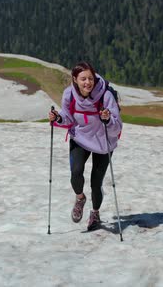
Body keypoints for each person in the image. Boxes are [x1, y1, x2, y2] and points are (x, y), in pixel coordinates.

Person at [48, 61, 122, 231]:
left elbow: (117, 126)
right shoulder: (69, 94)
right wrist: (58, 118)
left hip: (103, 143)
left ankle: (95, 213)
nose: (88, 82)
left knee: (96, 183)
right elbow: (68, 117)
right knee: (75, 173)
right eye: (83, 79)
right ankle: (80, 198)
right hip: (80, 138)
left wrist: (107, 119)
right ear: (75, 79)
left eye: (91, 78)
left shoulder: (106, 96)